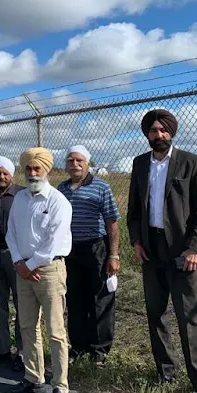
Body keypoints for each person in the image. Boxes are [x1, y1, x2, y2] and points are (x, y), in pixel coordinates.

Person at [127, 109, 197, 393]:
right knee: (155, 315)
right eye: (153, 130)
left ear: (172, 132)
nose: (158, 134)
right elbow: (134, 211)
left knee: (190, 318)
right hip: (152, 251)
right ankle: (166, 372)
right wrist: (136, 241)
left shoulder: (191, 163)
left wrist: (194, 248)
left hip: (183, 252)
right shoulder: (139, 164)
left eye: (164, 130)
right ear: (147, 134)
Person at [6, 148, 72, 393]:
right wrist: (18, 263)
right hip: (23, 270)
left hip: (49, 271)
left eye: (37, 169)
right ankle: (33, 376)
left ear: (47, 171)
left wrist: (30, 264)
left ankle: (60, 386)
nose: (32, 173)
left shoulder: (58, 201)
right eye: (29, 169)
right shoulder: (20, 198)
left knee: (55, 331)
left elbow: (53, 241)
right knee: (27, 326)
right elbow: (10, 233)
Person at [58, 145, 121, 366]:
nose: (74, 164)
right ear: (65, 164)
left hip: (96, 248)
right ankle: (78, 345)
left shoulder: (101, 187)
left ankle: (99, 350)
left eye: (79, 161)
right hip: (70, 251)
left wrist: (114, 255)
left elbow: (112, 222)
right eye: (70, 160)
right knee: (75, 299)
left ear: (88, 164)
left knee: (100, 300)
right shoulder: (62, 189)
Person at [0, 156, 25, 371]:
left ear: (12, 174)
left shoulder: (21, 194)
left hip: (17, 256)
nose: (1, 177)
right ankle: (2, 349)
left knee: (23, 305)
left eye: (5, 173)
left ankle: (23, 352)